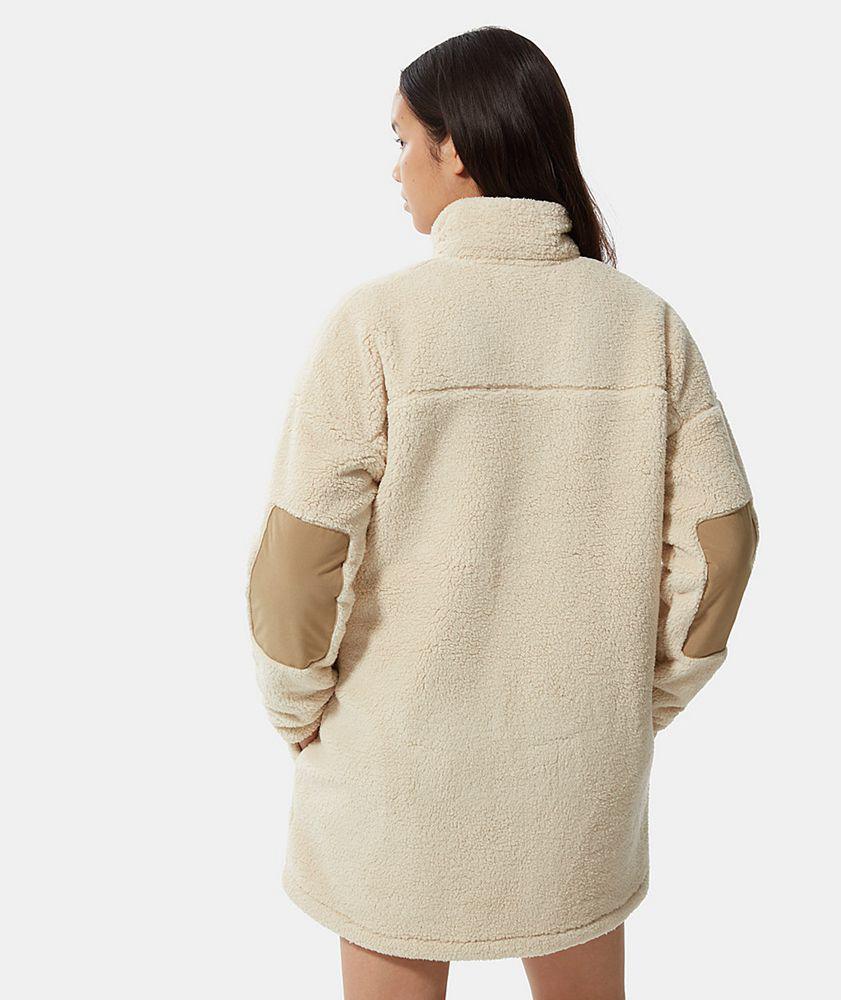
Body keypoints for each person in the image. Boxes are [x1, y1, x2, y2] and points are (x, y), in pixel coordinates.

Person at [245, 25, 760, 1000]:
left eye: (404, 140)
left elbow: (299, 564)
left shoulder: (377, 325)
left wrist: (296, 710)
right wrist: (633, 703)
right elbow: (722, 547)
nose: (395, 168)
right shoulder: (645, 325)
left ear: (458, 148)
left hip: (395, 780)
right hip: (576, 782)